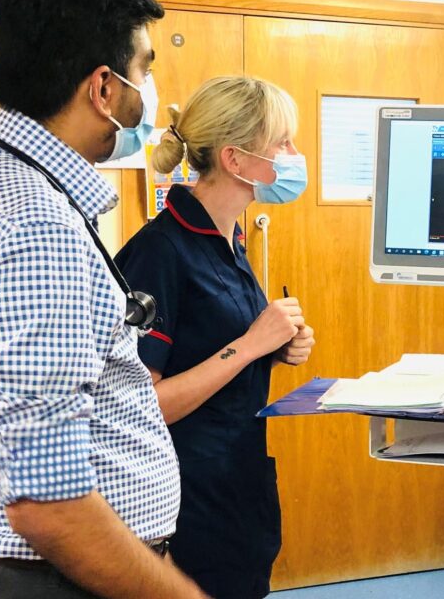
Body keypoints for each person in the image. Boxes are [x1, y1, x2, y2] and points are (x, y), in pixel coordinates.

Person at [0, 0, 206, 597]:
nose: (148, 94)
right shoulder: (36, 227)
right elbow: (49, 504)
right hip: (61, 575)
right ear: (103, 87)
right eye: (145, 71)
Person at [114, 75, 315, 599]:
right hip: (187, 497)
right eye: (283, 143)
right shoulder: (160, 252)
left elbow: (211, 348)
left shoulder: (230, 238)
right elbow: (142, 403)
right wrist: (249, 344)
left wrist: (276, 349)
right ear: (235, 158)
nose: (295, 155)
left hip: (238, 482)